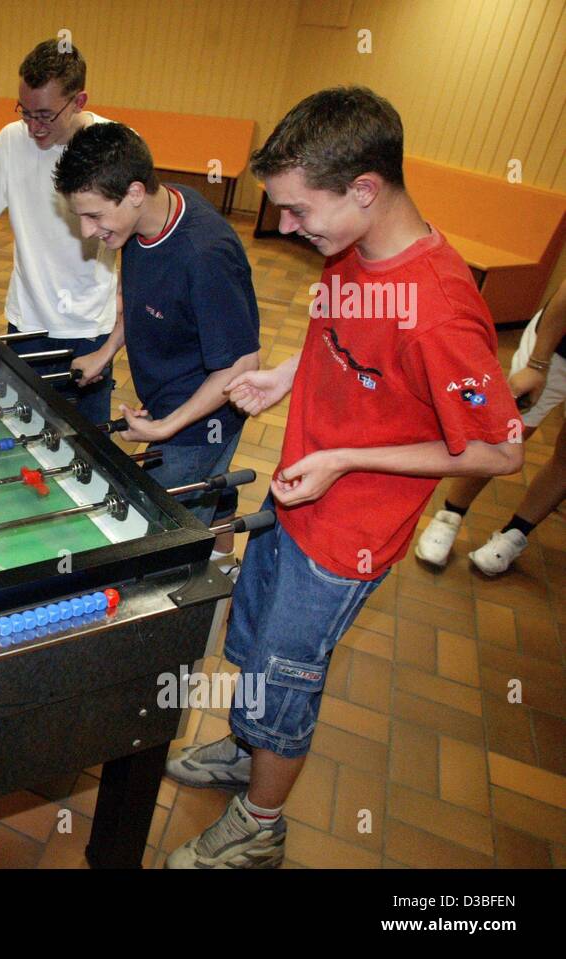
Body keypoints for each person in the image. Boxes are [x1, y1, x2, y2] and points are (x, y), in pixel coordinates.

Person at [163, 87, 524, 868]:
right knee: (252, 643)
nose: (286, 227)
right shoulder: (352, 251)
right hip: (297, 498)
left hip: (346, 537)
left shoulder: (438, 312)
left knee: (287, 677)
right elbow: (338, 334)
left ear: (365, 189)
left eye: (297, 210)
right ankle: (243, 746)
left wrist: (346, 459)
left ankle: (261, 821)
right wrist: (288, 375)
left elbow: (500, 451)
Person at [53, 122, 260, 564]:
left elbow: (243, 362)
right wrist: (107, 351)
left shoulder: (204, 254)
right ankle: (226, 566)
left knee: (159, 520)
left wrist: (166, 428)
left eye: (94, 216)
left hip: (202, 418)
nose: (88, 231)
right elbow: (147, 299)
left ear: (132, 192)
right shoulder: (142, 219)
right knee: (213, 493)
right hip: (170, 399)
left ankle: (192, 588)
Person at [0, 39, 118, 425]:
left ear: (79, 101)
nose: (32, 126)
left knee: (89, 442)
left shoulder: (113, 146)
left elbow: (136, 242)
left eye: (45, 115)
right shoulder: (9, 142)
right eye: (24, 111)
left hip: (90, 327)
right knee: (26, 430)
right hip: (28, 321)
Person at [415, 278, 566, 574]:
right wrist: (537, 365)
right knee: (508, 435)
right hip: (557, 350)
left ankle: (516, 533)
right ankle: (450, 514)